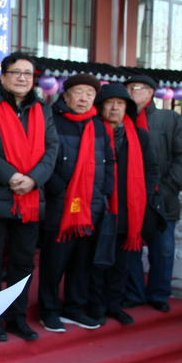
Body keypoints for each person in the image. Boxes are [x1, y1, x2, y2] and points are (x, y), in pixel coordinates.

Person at [0, 52, 58, 342]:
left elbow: (52, 148)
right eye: (17, 72)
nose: (23, 78)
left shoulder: (43, 109)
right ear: (4, 75)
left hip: (31, 199)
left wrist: (33, 179)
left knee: (23, 264)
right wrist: (10, 177)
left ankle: (17, 317)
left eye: (28, 73)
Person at [38, 74, 115, 332]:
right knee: (54, 261)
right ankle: (48, 310)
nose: (83, 98)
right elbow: (44, 157)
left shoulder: (99, 125)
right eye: (78, 92)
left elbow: (109, 161)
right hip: (61, 205)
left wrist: (104, 193)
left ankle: (73, 306)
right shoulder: (53, 120)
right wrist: (59, 189)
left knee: (82, 262)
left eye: (89, 94)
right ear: (66, 94)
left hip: (91, 206)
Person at [124, 75, 182, 313]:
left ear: (150, 93)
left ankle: (159, 293)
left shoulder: (170, 118)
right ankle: (133, 293)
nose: (130, 93)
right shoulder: (121, 121)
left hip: (162, 196)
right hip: (130, 197)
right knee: (130, 247)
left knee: (163, 249)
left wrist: (167, 188)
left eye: (135, 88)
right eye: (128, 89)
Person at [88, 84, 159, 325]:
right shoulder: (92, 131)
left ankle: (114, 304)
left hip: (128, 210)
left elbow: (151, 169)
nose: (115, 107)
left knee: (121, 262)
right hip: (97, 207)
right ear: (101, 107)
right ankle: (95, 306)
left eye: (121, 103)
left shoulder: (139, 136)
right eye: (110, 103)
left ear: (128, 108)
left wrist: (143, 195)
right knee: (96, 261)